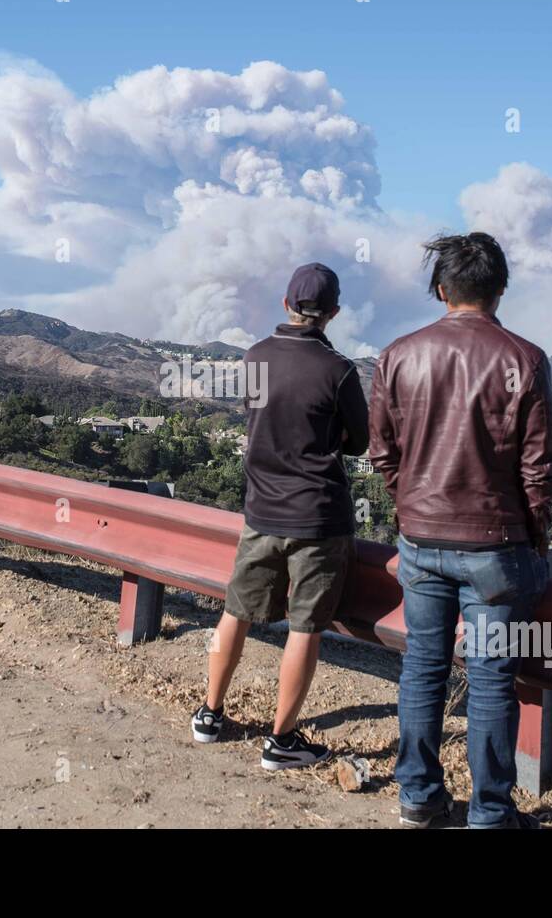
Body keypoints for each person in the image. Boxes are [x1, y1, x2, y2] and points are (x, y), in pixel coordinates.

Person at [368, 232, 552, 828]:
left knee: (422, 666)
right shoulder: (524, 359)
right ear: (500, 290)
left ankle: (419, 798)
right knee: (491, 680)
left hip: (421, 543)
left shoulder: (399, 354)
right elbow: (539, 468)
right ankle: (490, 813)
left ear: (442, 290)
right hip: (497, 548)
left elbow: (382, 453)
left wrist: (411, 508)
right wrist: (534, 536)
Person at [191, 262, 369, 770]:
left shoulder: (256, 357)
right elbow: (360, 442)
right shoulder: (338, 371)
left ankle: (210, 714)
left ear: (285, 304)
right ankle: (281, 740)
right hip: (317, 520)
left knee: (236, 612)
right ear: (333, 313)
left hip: (260, 512)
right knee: (304, 628)